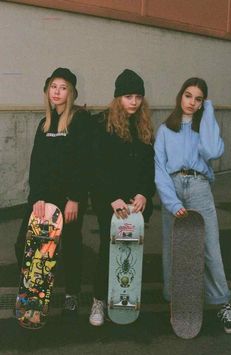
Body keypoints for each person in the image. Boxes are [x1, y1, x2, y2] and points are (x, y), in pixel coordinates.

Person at [154, 77, 231, 334]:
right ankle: (176, 303)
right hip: (174, 188)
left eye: (198, 98)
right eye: (188, 95)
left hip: (200, 187)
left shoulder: (205, 127)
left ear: (203, 103)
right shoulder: (165, 130)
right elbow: (159, 170)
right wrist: (171, 201)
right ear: (180, 96)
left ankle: (222, 302)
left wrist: (209, 110)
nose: (192, 102)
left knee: (210, 246)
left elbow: (212, 152)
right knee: (175, 248)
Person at [15, 67, 91, 320]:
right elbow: (37, 165)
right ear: (47, 91)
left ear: (71, 93)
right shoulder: (43, 124)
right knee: (22, 245)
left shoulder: (80, 120)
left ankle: (71, 294)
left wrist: (76, 197)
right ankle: (35, 289)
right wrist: (36, 198)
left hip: (68, 199)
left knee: (70, 245)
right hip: (42, 198)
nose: (57, 92)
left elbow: (83, 162)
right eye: (53, 87)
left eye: (63, 87)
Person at [89, 69, 155, 326]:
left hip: (134, 203)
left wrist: (144, 193)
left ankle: (126, 298)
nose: (134, 102)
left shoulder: (143, 125)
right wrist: (112, 198)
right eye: (128, 96)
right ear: (118, 97)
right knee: (109, 250)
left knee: (131, 252)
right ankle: (98, 301)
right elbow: (97, 167)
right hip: (111, 202)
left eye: (138, 96)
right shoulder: (102, 124)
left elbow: (149, 166)